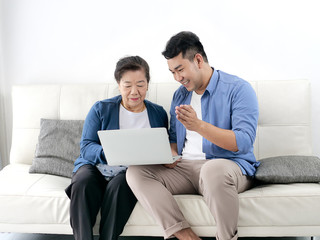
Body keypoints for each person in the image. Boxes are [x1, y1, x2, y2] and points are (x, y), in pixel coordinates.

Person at [126, 31, 259, 240]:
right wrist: (168, 155)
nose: (178, 78)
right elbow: (174, 139)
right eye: (172, 72)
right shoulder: (180, 95)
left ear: (198, 60)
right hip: (185, 168)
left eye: (180, 69)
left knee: (212, 171)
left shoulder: (239, 89)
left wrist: (198, 125)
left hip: (227, 165)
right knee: (135, 172)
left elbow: (242, 143)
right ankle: (183, 234)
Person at [65, 56, 168, 240]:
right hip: (96, 167)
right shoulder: (100, 109)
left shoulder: (158, 113)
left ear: (147, 84)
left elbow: (161, 148)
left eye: (140, 84)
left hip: (129, 173)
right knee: (82, 183)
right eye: (127, 85)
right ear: (119, 84)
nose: (134, 91)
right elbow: (86, 146)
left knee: (121, 185)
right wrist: (110, 153)